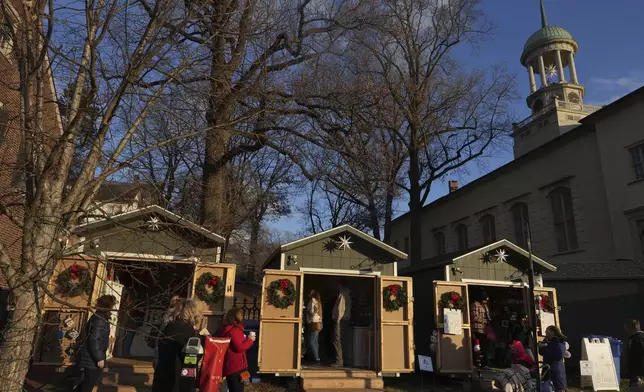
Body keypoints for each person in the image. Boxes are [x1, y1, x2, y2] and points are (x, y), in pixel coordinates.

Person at [151, 298, 200, 392]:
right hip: (179, 378)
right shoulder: (190, 332)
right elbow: (194, 356)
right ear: (193, 313)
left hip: (162, 374)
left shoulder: (169, 326)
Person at [76, 295, 117, 392]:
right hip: (91, 360)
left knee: (86, 384)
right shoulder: (99, 320)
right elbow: (94, 340)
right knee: (87, 385)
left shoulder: (101, 317)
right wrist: (99, 358)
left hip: (91, 358)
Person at [215, 308, 255, 392]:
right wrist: (250, 340)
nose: (242, 317)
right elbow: (239, 348)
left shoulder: (224, 329)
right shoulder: (234, 330)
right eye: (241, 315)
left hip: (229, 365)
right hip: (236, 366)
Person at [538, 325, 567, 392]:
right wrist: (541, 346)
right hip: (547, 371)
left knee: (556, 388)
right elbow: (542, 353)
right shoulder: (547, 340)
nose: (545, 332)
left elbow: (558, 356)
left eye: (547, 330)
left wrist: (545, 347)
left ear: (553, 332)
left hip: (556, 372)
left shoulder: (559, 342)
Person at [331, 280, 352, 367]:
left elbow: (340, 308)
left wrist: (338, 319)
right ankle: (345, 359)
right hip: (346, 319)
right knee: (342, 339)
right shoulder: (348, 294)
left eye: (337, 285)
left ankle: (339, 361)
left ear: (340, 285)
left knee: (337, 339)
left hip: (341, 319)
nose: (336, 287)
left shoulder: (342, 294)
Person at [471, 291, 491, 367]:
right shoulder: (475, 305)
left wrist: (489, 319)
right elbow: (474, 317)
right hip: (477, 329)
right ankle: (478, 363)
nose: (486, 301)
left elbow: (487, 315)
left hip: (484, 329)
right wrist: (484, 320)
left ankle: (484, 363)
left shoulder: (485, 306)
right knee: (478, 347)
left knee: (485, 347)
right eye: (485, 299)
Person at [122, 293, 145, 357]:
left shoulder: (132, 307)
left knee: (128, 340)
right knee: (128, 340)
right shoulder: (132, 308)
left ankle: (126, 353)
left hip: (131, 325)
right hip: (131, 325)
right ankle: (125, 353)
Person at [625, 319, 644, 387]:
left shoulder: (637, 339)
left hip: (638, 372)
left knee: (636, 388)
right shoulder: (638, 338)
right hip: (637, 372)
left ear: (630, 328)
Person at [306, 289, 323, 365]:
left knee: (312, 341)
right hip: (319, 322)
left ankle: (317, 359)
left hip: (314, 323)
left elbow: (313, 312)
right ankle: (317, 357)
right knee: (315, 341)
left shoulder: (312, 301)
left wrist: (307, 311)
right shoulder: (318, 302)